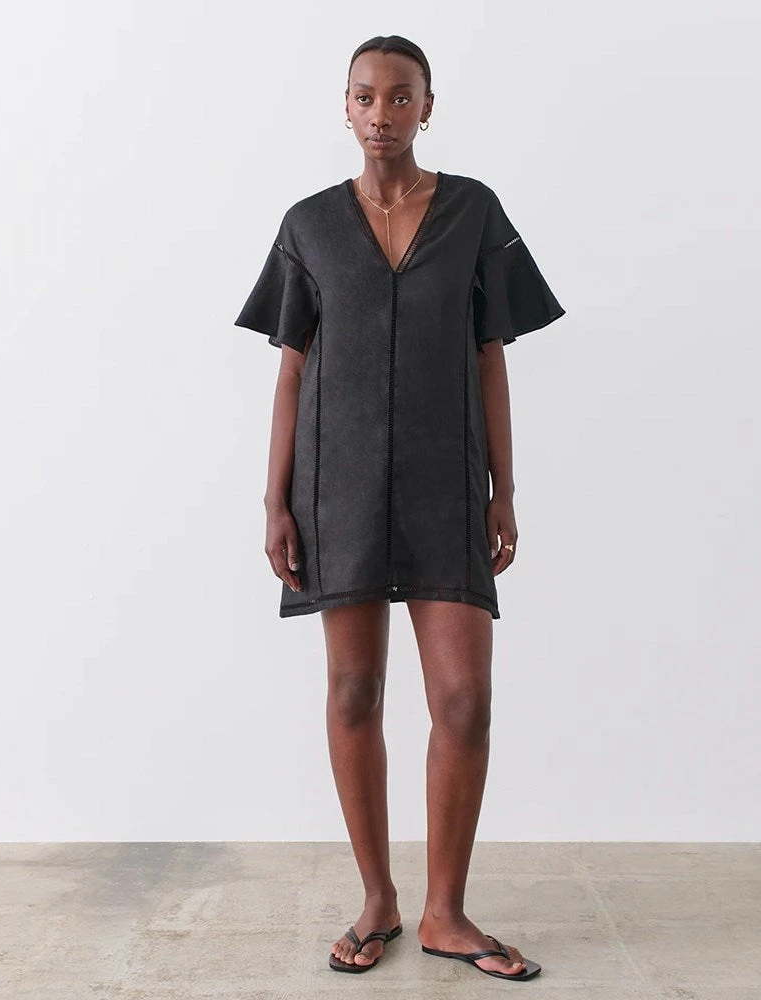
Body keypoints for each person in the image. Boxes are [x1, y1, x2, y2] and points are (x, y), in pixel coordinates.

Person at [234, 35, 564, 981]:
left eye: (401, 96)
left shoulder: (473, 212)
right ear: (345, 107)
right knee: (354, 690)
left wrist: (505, 487)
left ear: (428, 106)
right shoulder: (308, 225)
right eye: (365, 96)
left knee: (463, 700)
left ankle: (445, 913)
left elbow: (490, 354)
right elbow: (292, 368)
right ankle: (377, 898)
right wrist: (275, 500)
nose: (382, 112)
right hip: (334, 483)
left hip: (443, 478)